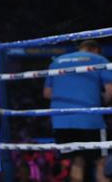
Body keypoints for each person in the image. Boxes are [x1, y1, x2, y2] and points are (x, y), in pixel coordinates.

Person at [44, 39, 112, 182]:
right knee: (100, 163)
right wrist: (101, 99)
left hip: (61, 121)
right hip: (90, 120)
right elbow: (110, 92)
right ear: (95, 49)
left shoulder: (56, 62)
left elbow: (47, 93)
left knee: (77, 162)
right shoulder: (99, 59)